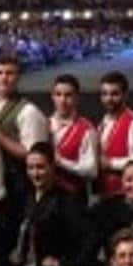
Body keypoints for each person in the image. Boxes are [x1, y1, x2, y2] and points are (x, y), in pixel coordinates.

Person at [0, 54, 49, 256]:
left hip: (14, 190)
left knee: (10, 244)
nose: (4, 78)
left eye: (10, 73)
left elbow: (33, 156)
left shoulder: (29, 112)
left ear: (18, 77)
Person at [96, 71, 133, 198]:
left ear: (125, 95)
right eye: (104, 94)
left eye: (114, 94)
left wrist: (111, 164)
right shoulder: (104, 122)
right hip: (105, 193)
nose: (109, 99)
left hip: (124, 194)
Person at [48, 74, 98, 204]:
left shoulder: (86, 129)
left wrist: (61, 162)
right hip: (47, 195)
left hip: (73, 197)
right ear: (52, 96)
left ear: (77, 98)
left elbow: (91, 171)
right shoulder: (44, 124)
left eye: (68, 95)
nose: (63, 100)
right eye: (58, 94)